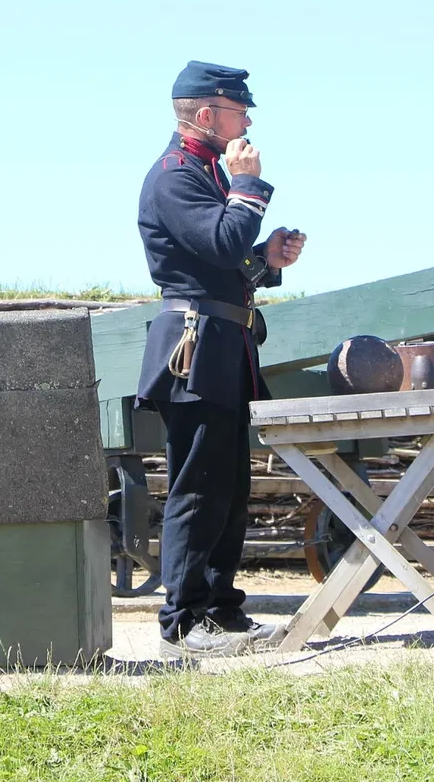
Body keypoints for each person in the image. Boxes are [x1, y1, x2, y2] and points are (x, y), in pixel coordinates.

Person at [136, 60, 307, 659]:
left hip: (221, 345)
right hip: (194, 348)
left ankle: (219, 608)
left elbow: (226, 263)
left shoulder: (204, 171)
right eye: (239, 109)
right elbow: (221, 241)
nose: (248, 119)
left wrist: (268, 259)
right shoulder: (175, 176)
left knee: (229, 488)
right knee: (197, 488)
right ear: (207, 115)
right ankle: (182, 624)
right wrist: (249, 189)